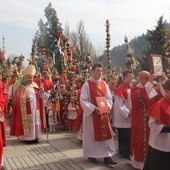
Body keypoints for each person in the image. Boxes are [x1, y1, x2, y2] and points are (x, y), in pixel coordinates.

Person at [80, 62, 117, 167]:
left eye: (101, 70)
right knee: (92, 136)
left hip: (103, 114)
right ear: (92, 71)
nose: (100, 73)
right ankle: (92, 155)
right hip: (92, 116)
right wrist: (92, 108)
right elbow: (83, 100)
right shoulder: (87, 84)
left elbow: (109, 98)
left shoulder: (104, 83)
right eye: (98, 70)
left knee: (106, 135)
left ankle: (107, 156)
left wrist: (108, 106)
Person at [130, 71, 165, 170]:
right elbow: (138, 97)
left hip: (152, 123)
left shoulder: (152, 88)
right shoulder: (135, 90)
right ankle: (138, 165)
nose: (149, 79)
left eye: (149, 77)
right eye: (147, 78)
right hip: (141, 123)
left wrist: (162, 82)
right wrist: (150, 82)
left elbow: (162, 97)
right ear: (140, 79)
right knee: (140, 143)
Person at [10, 65, 44, 143]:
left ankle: (35, 137)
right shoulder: (22, 87)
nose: (30, 79)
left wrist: (41, 91)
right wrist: (25, 97)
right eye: (29, 77)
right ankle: (28, 138)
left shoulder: (35, 86)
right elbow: (17, 98)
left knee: (35, 121)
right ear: (25, 78)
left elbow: (38, 97)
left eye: (31, 77)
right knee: (29, 122)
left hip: (35, 108)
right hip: (27, 108)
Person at [143, 79, 170, 170]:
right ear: (166, 91)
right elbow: (152, 124)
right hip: (160, 144)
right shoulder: (159, 105)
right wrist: (166, 129)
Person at [113, 70, 133, 159]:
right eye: (129, 76)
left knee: (129, 135)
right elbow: (119, 105)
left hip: (130, 115)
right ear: (124, 77)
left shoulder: (132, 86)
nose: (131, 78)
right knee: (124, 135)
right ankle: (124, 152)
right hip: (123, 116)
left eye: (132, 76)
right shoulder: (120, 89)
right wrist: (128, 112)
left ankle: (128, 151)